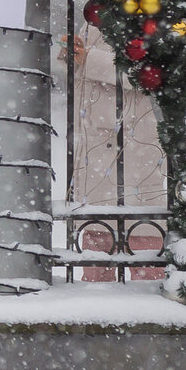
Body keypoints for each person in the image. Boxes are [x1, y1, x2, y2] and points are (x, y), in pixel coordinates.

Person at [61, 24, 166, 282]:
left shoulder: (152, 13)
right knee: (97, 261)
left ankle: (148, 317)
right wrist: (73, 56)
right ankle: (98, 317)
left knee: (147, 259)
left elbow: (148, 72)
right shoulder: (95, 17)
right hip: (96, 153)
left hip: (134, 147)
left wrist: (88, 59)